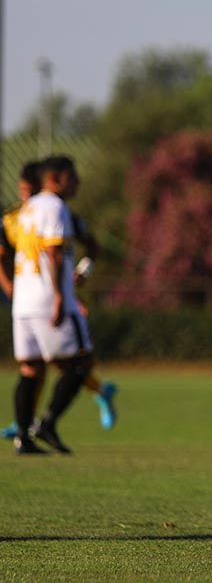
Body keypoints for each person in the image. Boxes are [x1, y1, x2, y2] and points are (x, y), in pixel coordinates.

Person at [0, 161, 117, 441]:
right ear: (53, 180)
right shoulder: (53, 208)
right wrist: (63, 296)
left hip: (25, 303)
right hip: (47, 299)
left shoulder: (21, 214)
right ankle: (47, 423)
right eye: (72, 177)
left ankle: (24, 434)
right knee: (77, 363)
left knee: (33, 367)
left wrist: (11, 290)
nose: (23, 195)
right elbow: (53, 253)